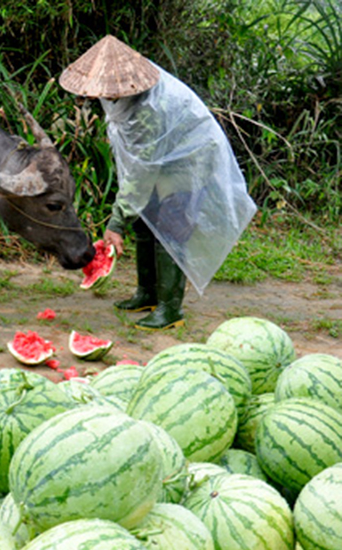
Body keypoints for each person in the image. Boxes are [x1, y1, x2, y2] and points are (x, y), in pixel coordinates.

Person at [60, 35, 257, 330]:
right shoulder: (117, 87)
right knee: (143, 221)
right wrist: (128, 212)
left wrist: (115, 223)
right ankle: (147, 292)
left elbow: (142, 169)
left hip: (190, 158)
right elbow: (136, 157)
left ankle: (169, 308)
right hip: (158, 156)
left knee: (171, 225)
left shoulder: (148, 108)